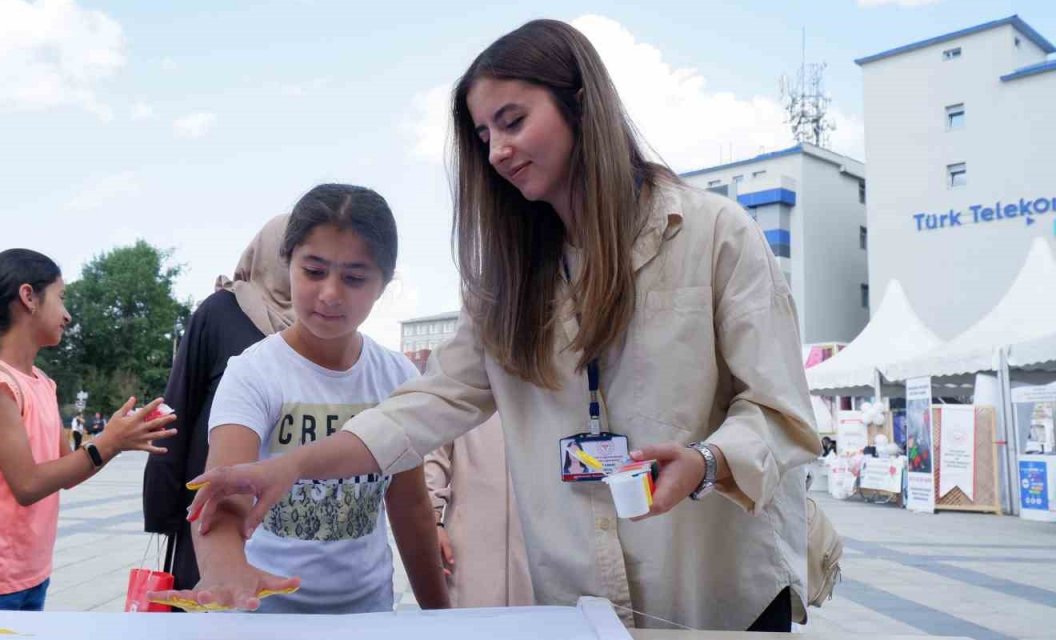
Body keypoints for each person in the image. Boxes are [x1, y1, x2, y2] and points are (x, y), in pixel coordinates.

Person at [181, 21, 820, 632]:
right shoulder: (507, 284)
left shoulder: (713, 234)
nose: (499, 150)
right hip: (578, 602)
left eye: (513, 121)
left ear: (581, 103)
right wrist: (292, 468)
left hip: (716, 594)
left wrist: (705, 462)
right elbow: (422, 408)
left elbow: (780, 412)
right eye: (484, 135)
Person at [149, 184, 449, 613]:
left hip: (368, 614)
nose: (330, 293)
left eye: (354, 277)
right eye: (314, 271)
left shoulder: (397, 375)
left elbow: (410, 507)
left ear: (384, 284)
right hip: (268, 614)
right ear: (287, 263)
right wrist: (226, 569)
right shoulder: (253, 372)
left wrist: (440, 616)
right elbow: (225, 489)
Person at [0, 248, 177, 611]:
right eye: (61, 298)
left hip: (30, 574)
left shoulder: (42, 382)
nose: (67, 314)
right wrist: (108, 442)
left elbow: (65, 471)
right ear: (29, 297)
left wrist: (118, 441)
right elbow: (27, 485)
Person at [142, 214, 293, 596]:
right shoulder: (222, 311)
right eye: (291, 255)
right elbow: (178, 405)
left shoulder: (322, 328)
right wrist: (165, 508)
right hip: (213, 500)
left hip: (284, 507)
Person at [424, 414, 534, 608]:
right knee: (472, 624)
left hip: (542, 543)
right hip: (471, 539)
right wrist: (432, 520)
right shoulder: (463, 387)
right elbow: (433, 451)